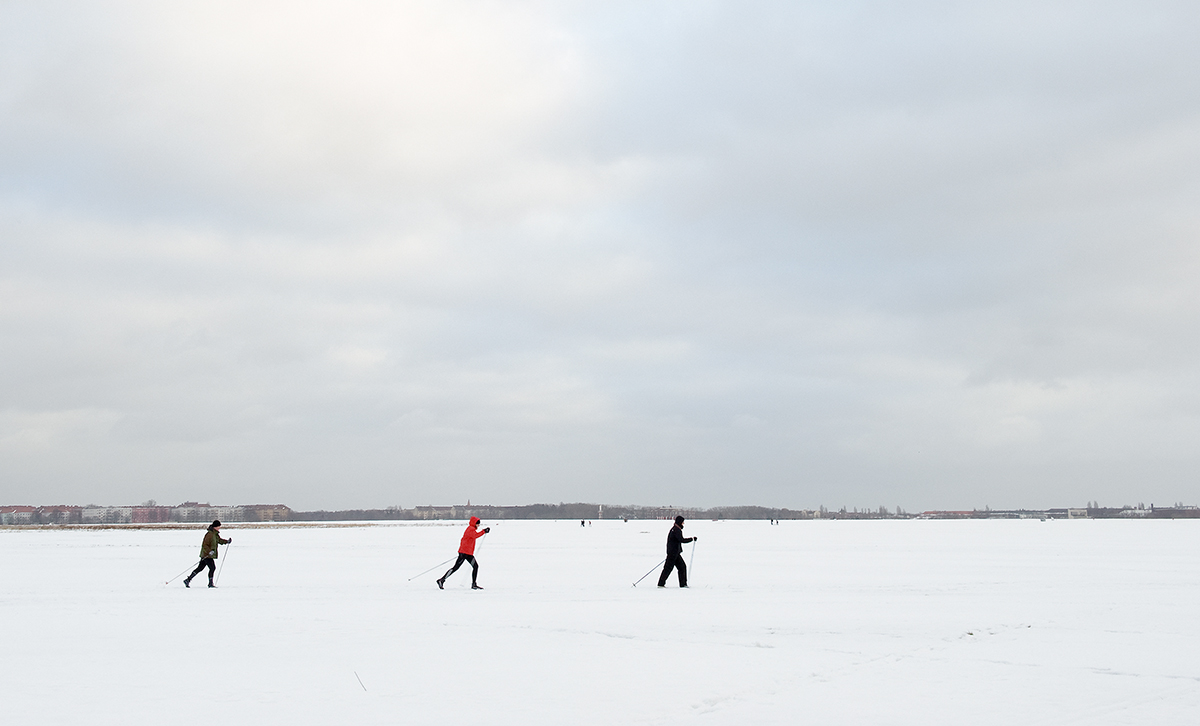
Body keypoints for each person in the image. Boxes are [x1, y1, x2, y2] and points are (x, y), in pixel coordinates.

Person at [437, 516, 490, 590]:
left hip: (468, 554)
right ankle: (441, 580)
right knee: (456, 568)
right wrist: (484, 531)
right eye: (477, 524)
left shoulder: (472, 529)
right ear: (474, 523)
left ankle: (474, 584)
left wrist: (483, 531)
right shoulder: (470, 529)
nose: (478, 525)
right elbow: (475, 536)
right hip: (464, 553)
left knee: (475, 566)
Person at [184, 520, 231, 588]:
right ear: (215, 527)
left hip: (208, 555)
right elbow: (205, 545)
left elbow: (219, 541)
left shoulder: (215, 534)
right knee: (212, 568)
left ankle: (188, 580)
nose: (219, 528)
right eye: (218, 526)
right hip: (207, 555)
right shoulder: (209, 534)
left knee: (200, 568)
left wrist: (227, 541)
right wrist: (209, 551)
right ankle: (210, 583)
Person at [657, 516, 696, 588]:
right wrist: (692, 539)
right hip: (673, 553)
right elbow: (682, 540)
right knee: (669, 568)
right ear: (679, 522)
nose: (683, 523)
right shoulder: (676, 530)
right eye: (682, 522)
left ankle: (683, 584)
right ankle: (661, 584)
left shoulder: (675, 529)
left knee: (681, 567)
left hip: (675, 553)